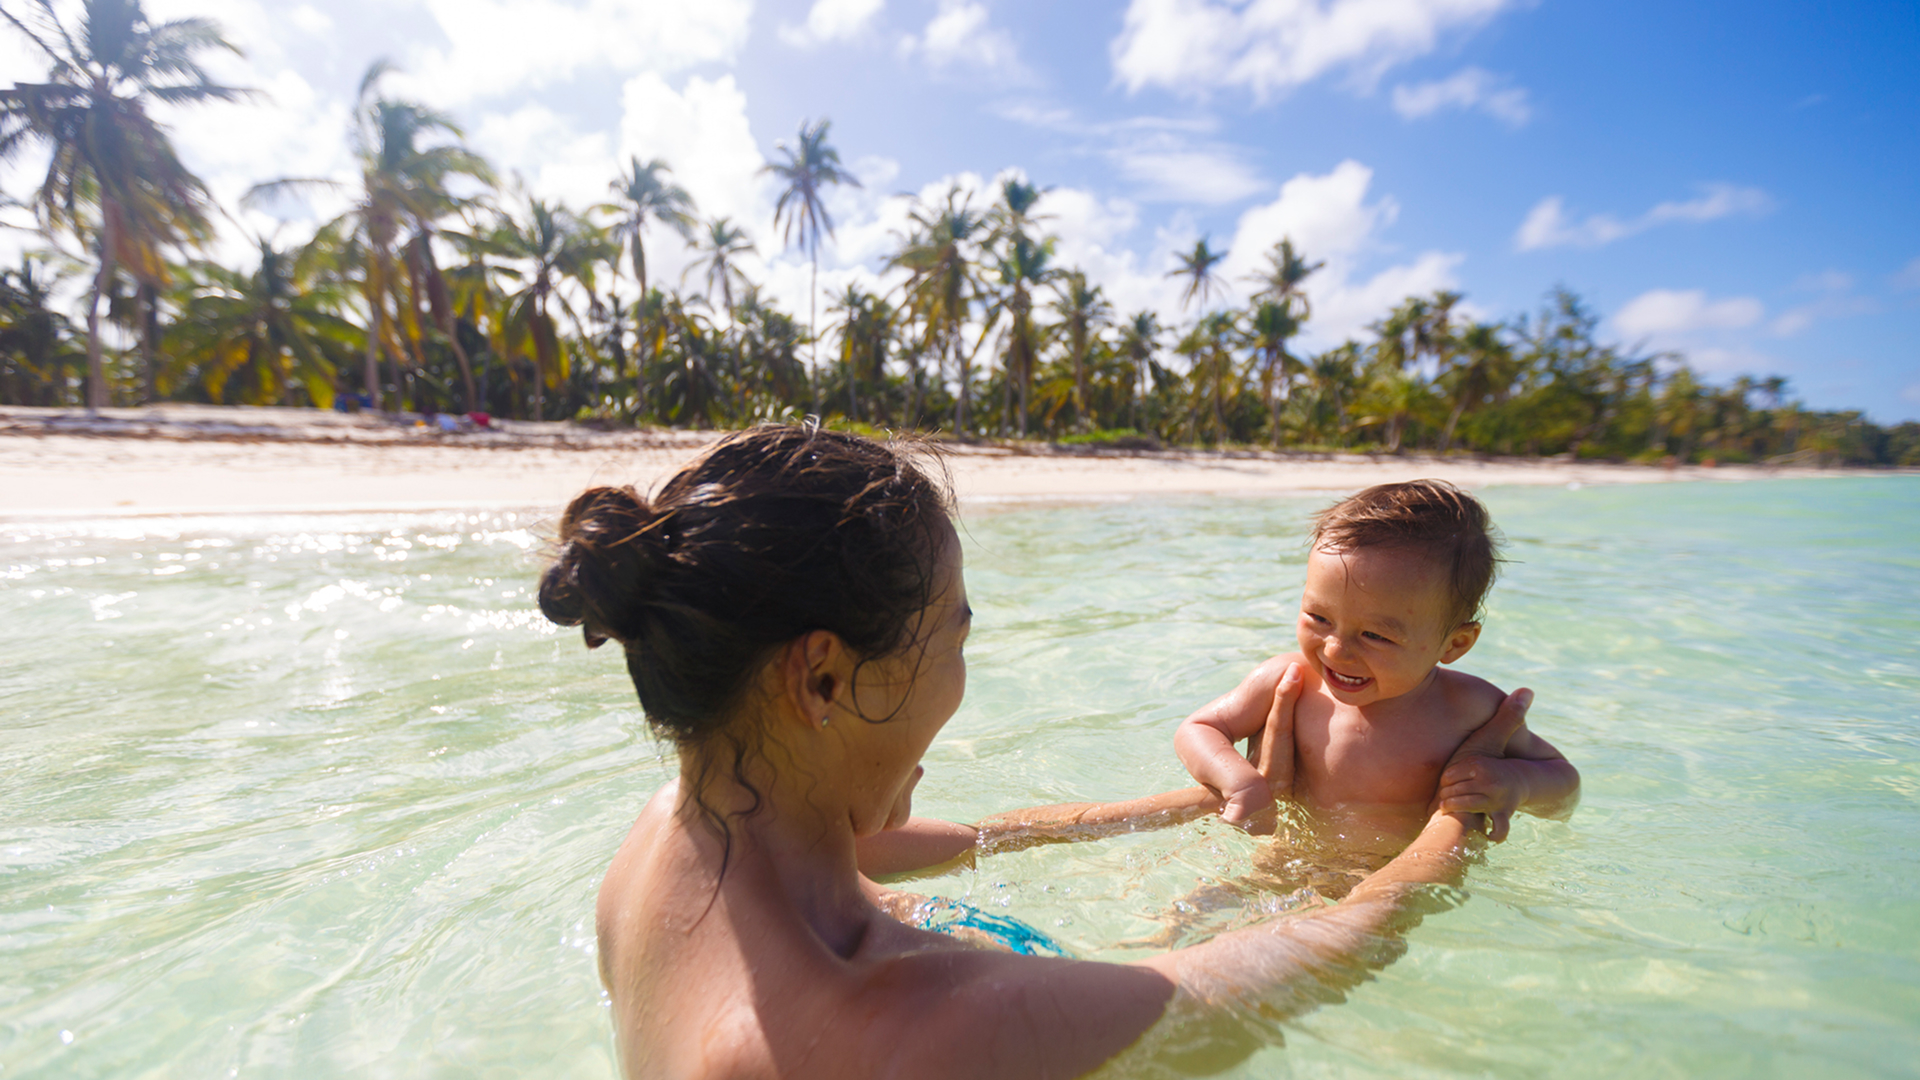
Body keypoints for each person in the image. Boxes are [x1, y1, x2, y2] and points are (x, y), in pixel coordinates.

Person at [540, 426, 1532, 1079]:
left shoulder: (661, 850)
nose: (960, 678)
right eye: (956, 636)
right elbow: (1322, 952)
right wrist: (1458, 813)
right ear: (824, 679)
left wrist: (1182, 805)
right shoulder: (926, 1025)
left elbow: (966, 839)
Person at [1176, 480, 1580, 844]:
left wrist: (1517, 784)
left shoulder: (1469, 708)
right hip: (1287, 855)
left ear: (1455, 644)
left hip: (1395, 875)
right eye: (1319, 617)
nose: (1335, 650)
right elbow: (1199, 729)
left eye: (1375, 635)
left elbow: (1564, 787)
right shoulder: (1291, 680)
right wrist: (1239, 780)